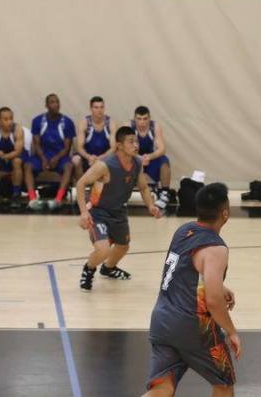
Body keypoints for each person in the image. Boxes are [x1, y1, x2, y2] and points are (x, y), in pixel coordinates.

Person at [144, 183, 240, 397]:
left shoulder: (183, 230)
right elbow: (213, 301)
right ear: (225, 213)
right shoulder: (216, 248)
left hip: (161, 321)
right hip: (193, 327)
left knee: (163, 387)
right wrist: (231, 331)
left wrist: (219, 285)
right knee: (224, 383)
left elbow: (184, 271)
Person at [76, 126, 161, 291]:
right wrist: (84, 213)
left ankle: (108, 268)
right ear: (119, 145)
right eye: (131, 142)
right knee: (103, 249)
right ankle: (89, 269)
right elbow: (81, 183)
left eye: (136, 141)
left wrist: (151, 206)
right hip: (98, 212)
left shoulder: (137, 163)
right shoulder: (105, 165)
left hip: (119, 211)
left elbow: (143, 187)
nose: (136, 145)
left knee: (123, 246)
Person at [25, 93, 76, 210]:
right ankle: (32, 199)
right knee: (27, 166)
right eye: (52, 102)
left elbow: (67, 147)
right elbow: (36, 144)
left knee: (69, 166)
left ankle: (58, 199)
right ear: (46, 105)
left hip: (60, 156)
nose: (56, 104)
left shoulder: (67, 122)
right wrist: (43, 159)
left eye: (57, 102)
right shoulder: (38, 121)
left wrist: (56, 158)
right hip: (42, 155)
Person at [132, 106, 172, 210]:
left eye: (145, 119)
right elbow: (124, 148)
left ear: (149, 118)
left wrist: (149, 157)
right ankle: (121, 193)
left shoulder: (155, 127)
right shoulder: (129, 127)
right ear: (135, 119)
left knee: (164, 161)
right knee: (120, 160)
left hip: (150, 159)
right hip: (133, 157)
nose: (142, 122)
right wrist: (139, 158)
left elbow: (162, 148)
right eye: (139, 119)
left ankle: (165, 193)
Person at [0, 107, 25, 204]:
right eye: (6, 119)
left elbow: (18, 151)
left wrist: (4, 156)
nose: (9, 122)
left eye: (11, 118)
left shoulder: (18, 130)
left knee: (17, 161)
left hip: (13, 156)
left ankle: (16, 194)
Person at [72, 96, 116, 180]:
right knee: (76, 160)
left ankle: (108, 185)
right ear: (91, 108)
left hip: (104, 157)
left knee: (117, 158)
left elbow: (113, 148)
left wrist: (101, 157)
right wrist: (89, 157)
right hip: (88, 157)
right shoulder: (84, 123)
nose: (99, 110)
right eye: (96, 107)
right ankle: (81, 185)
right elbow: (79, 147)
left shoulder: (110, 123)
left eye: (101, 107)